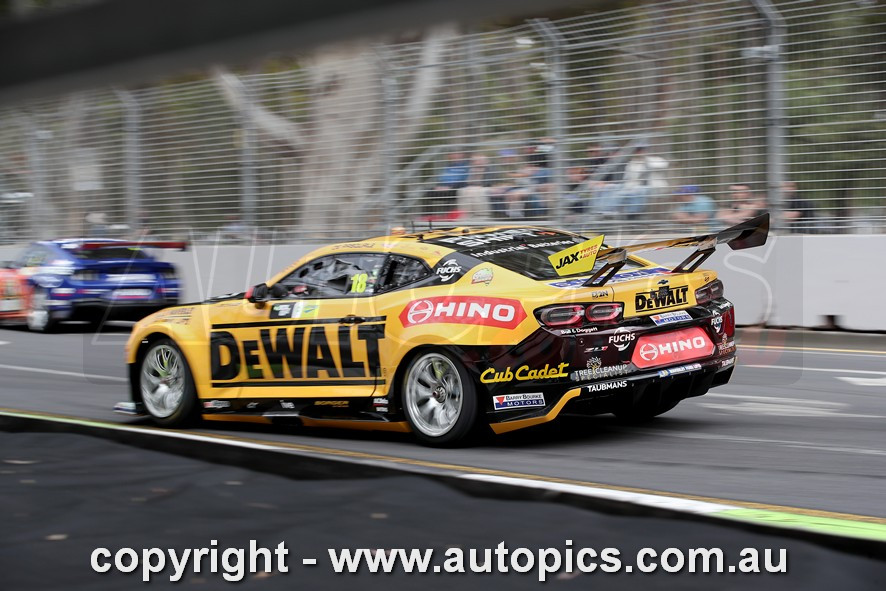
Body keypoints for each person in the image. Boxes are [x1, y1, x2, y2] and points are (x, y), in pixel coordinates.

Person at [423, 151, 470, 218]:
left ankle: (450, 216)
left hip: (457, 187)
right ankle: (428, 217)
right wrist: (439, 186)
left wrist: (450, 187)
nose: (454, 156)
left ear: (462, 155)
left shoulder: (465, 166)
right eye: (452, 154)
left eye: (456, 154)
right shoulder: (448, 167)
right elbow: (442, 178)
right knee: (428, 192)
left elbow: (464, 179)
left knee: (451, 192)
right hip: (445, 187)